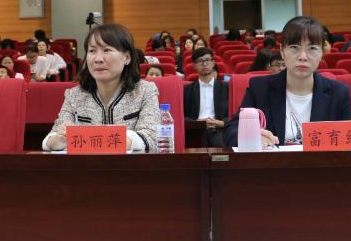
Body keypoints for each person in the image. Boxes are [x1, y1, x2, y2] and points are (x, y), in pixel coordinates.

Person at [223, 16, 351, 148]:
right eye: (294, 47)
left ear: (322, 53)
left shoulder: (339, 94)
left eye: (312, 48)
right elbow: (231, 130)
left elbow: (345, 146)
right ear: (282, 51)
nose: (303, 57)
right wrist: (251, 137)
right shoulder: (259, 89)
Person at [42, 24, 160, 152]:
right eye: (92, 51)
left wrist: (123, 139)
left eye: (107, 50)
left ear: (127, 57)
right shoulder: (74, 95)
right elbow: (50, 140)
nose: (98, 59)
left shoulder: (145, 91)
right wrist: (58, 140)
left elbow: (151, 137)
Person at [183, 47, 228, 146]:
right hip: (194, 130)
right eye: (200, 61)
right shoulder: (186, 90)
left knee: (222, 146)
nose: (204, 64)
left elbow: (235, 114)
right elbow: (180, 115)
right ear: (194, 65)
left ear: (213, 63)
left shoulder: (226, 88)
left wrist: (221, 123)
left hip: (218, 130)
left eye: (207, 60)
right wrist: (196, 123)